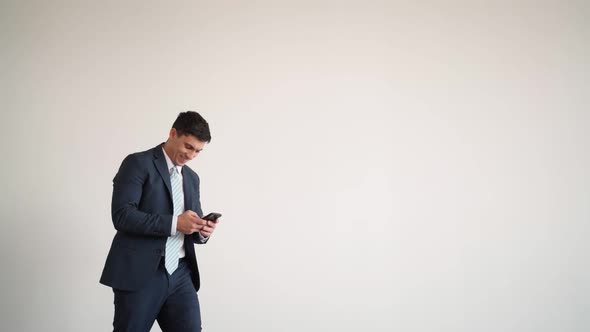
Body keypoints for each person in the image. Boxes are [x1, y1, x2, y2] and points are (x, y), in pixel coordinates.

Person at [100, 111, 219, 332]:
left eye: (198, 151)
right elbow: (122, 215)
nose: (191, 155)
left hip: (182, 273)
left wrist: (202, 230)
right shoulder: (137, 163)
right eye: (188, 147)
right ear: (173, 133)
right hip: (141, 273)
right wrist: (175, 223)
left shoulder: (192, 178)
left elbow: (190, 223)